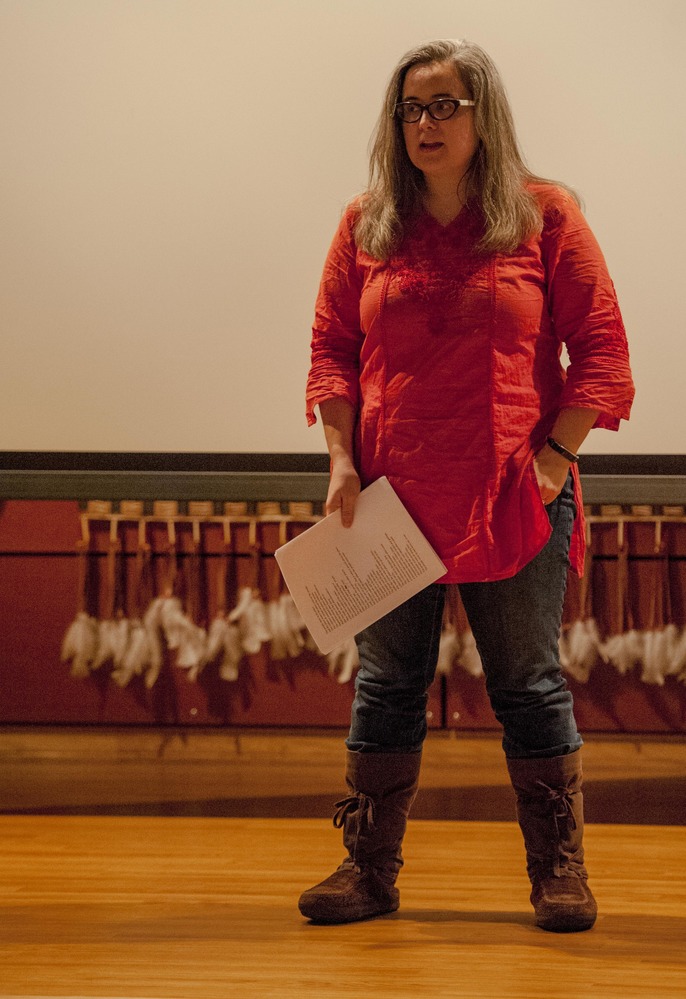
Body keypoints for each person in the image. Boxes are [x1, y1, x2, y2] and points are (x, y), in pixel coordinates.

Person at [299, 38, 634, 932]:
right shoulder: (366, 222)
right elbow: (332, 349)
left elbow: (601, 351)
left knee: (527, 683)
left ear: (484, 114)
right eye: (411, 108)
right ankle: (368, 871)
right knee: (386, 685)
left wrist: (554, 461)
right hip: (388, 496)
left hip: (513, 493)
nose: (425, 123)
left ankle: (558, 873)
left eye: (444, 105)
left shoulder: (544, 214)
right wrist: (340, 462)